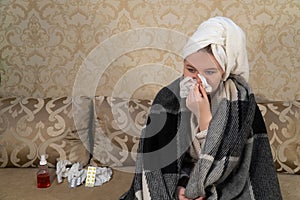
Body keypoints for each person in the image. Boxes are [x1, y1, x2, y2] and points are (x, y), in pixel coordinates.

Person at [120, 16, 282, 200]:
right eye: (191, 69)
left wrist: (203, 116)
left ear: (224, 72)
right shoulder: (168, 99)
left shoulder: (240, 102)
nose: (198, 79)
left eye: (210, 72)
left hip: (225, 184)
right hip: (184, 179)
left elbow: (226, 167)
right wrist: (180, 186)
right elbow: (158, 160)